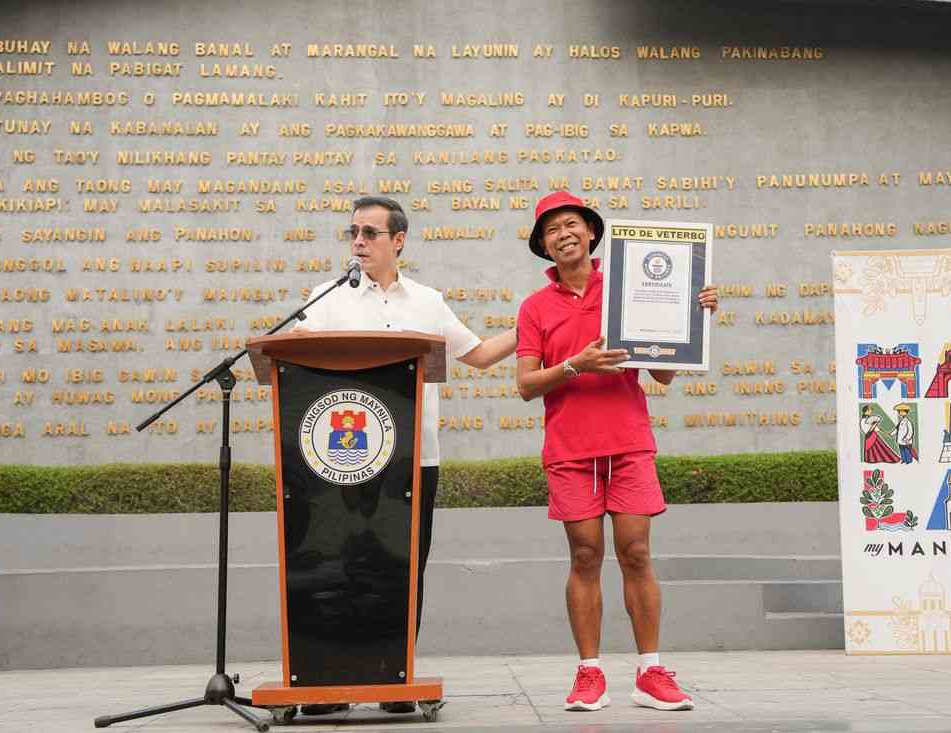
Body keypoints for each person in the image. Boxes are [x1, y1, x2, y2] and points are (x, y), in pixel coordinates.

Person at [296, 196, 518, 714]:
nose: (358, 241)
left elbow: (480, 355)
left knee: (401, 566)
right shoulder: (327, 297)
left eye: (370, 233)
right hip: (341, 463)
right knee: (340, 565)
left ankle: (393, 676)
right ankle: (331, 683)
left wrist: (536, 325)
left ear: (398, 241)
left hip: (413, 460)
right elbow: (296, 355)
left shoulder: (427, 300)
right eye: (353, 232)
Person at [515, 191, 718, 712]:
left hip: (628, 441)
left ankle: (651, 671)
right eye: (551, 230)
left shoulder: (630, 286)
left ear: (590, 233)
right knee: (585, 555)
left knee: (637, 553)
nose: (563, 234)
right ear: (543, 246)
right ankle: (589, 673)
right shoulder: (535, 307)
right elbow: (526, 384)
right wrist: (576, 365)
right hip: (570, 446)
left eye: (572, 224)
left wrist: (693, 316)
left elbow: (666, 372)